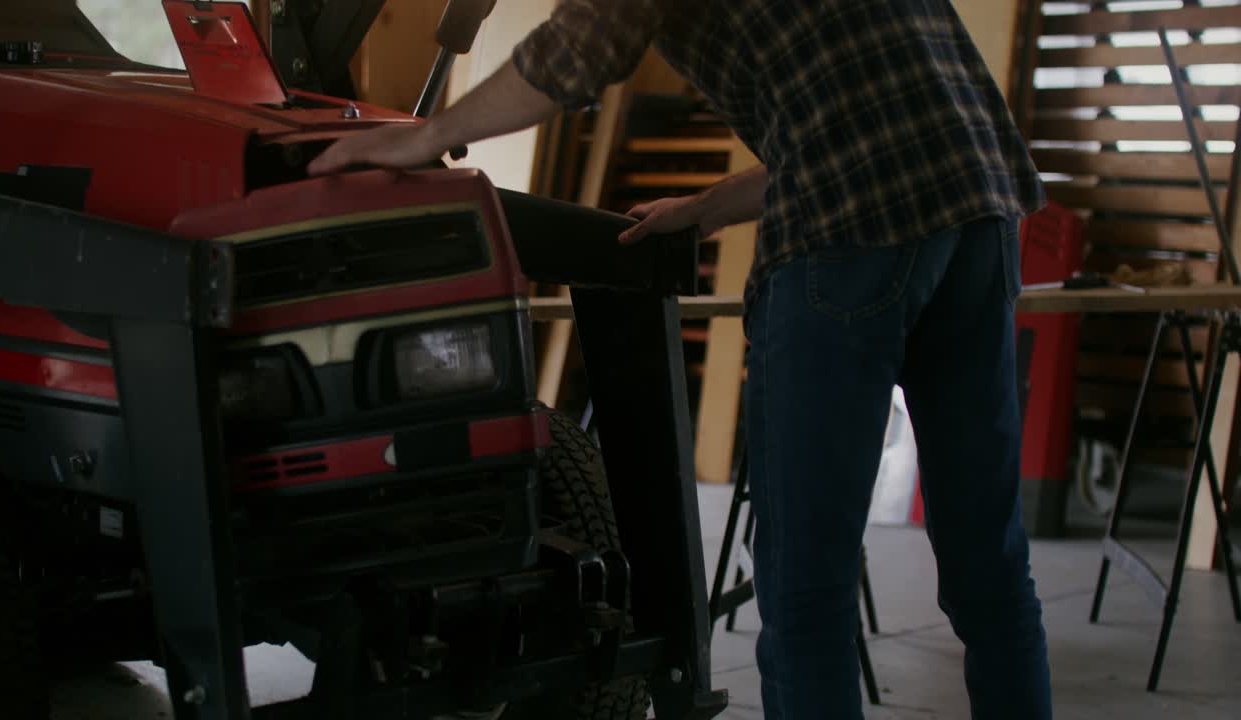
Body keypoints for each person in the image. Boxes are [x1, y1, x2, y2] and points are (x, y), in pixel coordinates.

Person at [309, 1, 1053, 717]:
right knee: (989, 567)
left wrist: (421, 137)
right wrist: (711, 205)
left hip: (848, 232)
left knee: (804, 590)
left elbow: (577, 51)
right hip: (977, 215)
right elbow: (875, 124)